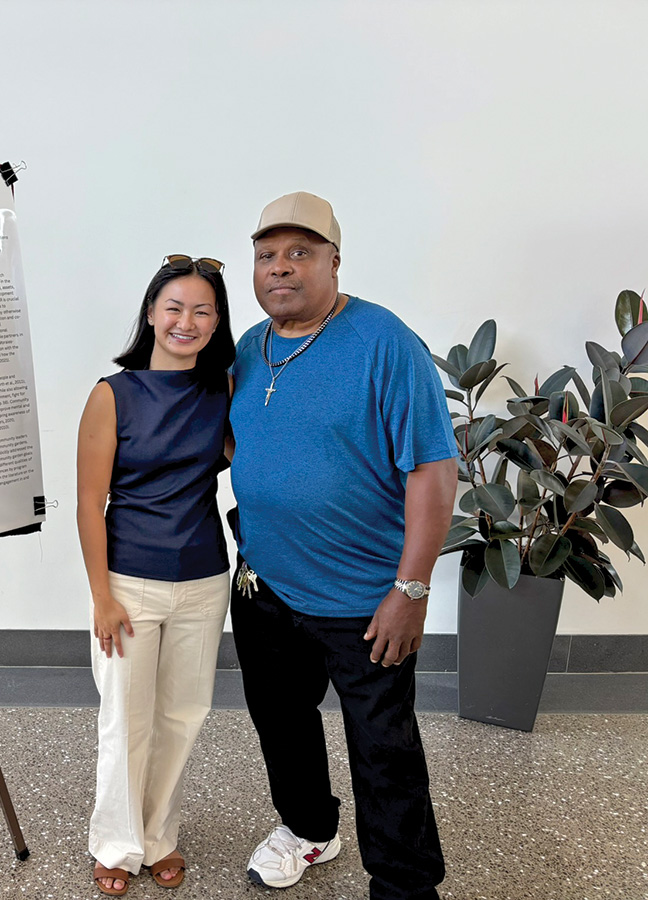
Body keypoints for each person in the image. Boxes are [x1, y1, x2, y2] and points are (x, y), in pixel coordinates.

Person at [227, 192, 457, 899]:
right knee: (282, 724)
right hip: (264, 586)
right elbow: (243, 438)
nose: (281, 269)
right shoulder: (250, 345)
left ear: (334, 260)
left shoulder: (383, 343)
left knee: (383, 751)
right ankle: (307, 829)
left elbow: (434, 469)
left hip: (362, 599)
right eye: (267, 255)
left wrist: (410, 590)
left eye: (300, 253)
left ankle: (404, 884)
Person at [77, 255, 235, 896]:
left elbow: (248, 459)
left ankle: (159, 835)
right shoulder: (112, 395)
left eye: (202, 310)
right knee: (126, 720)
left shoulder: (223, 389)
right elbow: (90, 501)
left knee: (183, 716)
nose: (186, 321)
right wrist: (101, 595)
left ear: (217, 320)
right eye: (174, 308)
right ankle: (116, 843)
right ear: (150, 314)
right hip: (129, 582)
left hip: (204, 579)